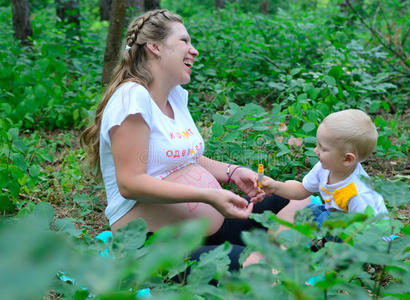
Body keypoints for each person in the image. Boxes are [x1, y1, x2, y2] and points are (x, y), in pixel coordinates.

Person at [80, 9, 310, 272]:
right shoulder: (132, 98)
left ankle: (273, 261)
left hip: (209, 228)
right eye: (184, 41)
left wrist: (232, 172)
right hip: (156, 243)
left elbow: (185, 156)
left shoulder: (174, 95)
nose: (194, 50)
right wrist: (208, 195)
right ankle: (268, 265)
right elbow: (130, 183)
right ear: (155, 47)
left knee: (298, 202)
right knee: (254, 266)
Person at [261, 109, 388, 229]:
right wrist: (275, 186)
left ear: (347, 159)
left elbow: (364, 234)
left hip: (364, 233)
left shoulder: (358, 195)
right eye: (317, 144)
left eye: (323, 148)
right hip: (336, 216)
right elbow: (302, 190)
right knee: (306, 214)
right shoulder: (325, 167)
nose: (315, 150)